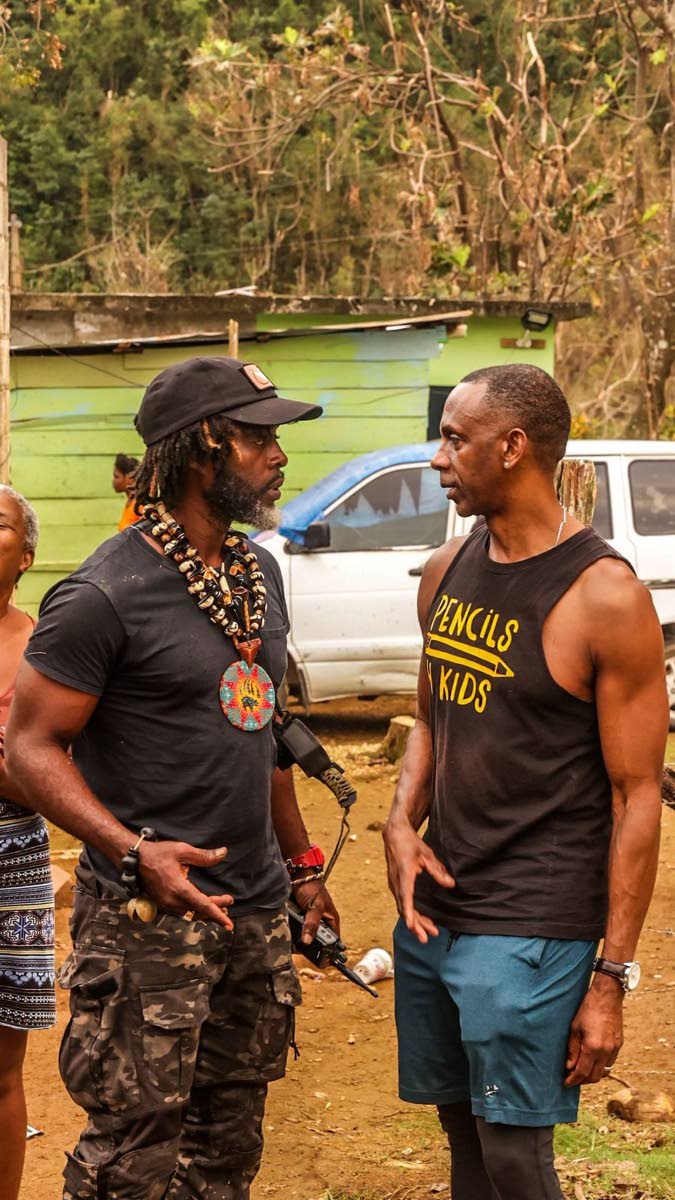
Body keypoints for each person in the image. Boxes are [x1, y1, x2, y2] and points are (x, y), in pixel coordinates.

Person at [6, 356, 339, 1200]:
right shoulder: (103, 594)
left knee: (226, 1152)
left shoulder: (254, 576)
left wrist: (300, 872)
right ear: (202, 449)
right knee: (130, 1156)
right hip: (146, 920)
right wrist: (133, 853)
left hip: (251, 913)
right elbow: (31, 749)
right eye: (257, 437)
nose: (278, 455)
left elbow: (258, 727)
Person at [382, 364, 667, 1200]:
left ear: (511, 448)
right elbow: (432, 717)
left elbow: (637, 795)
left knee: (512, 1148)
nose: (438, 458)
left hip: (534, 920)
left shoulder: (603, 597)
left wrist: (611, 980)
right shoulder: (445, 570)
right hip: (438, 907)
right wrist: (401, 822)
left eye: (453, 439)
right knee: (457, 1125)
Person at [0, 485, 55, 1200]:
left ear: (26, 556)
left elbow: (49, 772)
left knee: (2, 1067)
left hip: (12, 857)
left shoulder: (44, 645)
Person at [112, 451, 140, 530]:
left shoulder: (140, 505)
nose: (113, 481)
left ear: (129, 478)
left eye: (116, 477)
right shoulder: (130, 502)